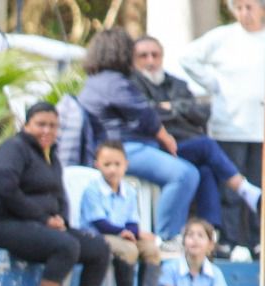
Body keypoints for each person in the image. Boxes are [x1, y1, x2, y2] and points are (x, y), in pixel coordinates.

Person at [0, 101, 110, 286]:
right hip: (6, 224)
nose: (47, 131)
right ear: (26, 124)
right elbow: (7, 190)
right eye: (41, 124)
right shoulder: (12, 149)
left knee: (99, 248)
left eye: (53, 126)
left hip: (42, 226)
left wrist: (61, 219)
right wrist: (43, 218)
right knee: (66, 246)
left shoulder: (51, 157)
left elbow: (60, 197)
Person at [131, 35, 262, 259]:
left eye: (155, 54)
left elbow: (200, 112)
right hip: (155, 149)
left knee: (206, 171)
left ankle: (210, 235)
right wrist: (177, 111)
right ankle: (244, 189)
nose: (150, 60)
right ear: (134, 59)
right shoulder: (132, 85)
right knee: (206, 147)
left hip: (182, 146)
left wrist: (168, 109)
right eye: (143, 55)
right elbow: (148, 114)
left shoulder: (176, 83)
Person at [77, 28, 198, 253]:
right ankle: (167, 236)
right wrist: (166, 138)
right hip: (120, 149)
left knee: (202, 156)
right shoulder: (113, 82)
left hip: (123, 146)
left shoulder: (96, 80)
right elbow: (146, 116)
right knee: (185, 174)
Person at [180, 0, 265, 256]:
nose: (245, 13)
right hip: (229, 125)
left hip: (261, 127)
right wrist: (213, 83)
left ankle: (256, 239)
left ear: (263, 8)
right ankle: (230, 240)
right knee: (231, 188)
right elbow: (188, 57)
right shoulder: (222, 37)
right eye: (239, 7)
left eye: (250, 7)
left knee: (258, 185)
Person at [78, 140, 168, 286]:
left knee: (151, 250)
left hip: (124, 234)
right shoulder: (93, 190)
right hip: (98, 235)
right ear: (97, 165)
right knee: (128, 250)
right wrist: (122, 233)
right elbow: (99, 222)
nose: (112, 169)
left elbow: (133, 221)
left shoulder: (129, 190)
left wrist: (132, 232)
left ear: (125, 165)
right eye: (107, 164)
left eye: (117, 164)